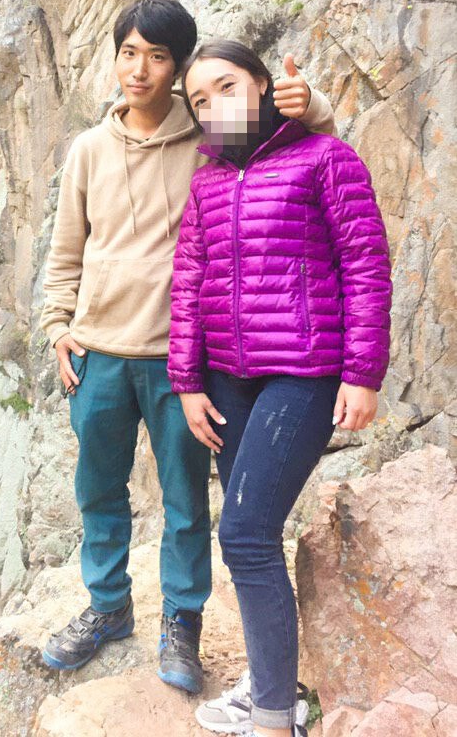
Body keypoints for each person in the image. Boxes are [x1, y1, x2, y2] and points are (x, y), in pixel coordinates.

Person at [38, 0, 337, 696]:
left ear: (176, 69)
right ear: (115, 58)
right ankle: (108, 605)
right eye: (128, 53)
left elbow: (292, 145)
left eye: (157, 56)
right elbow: (66, 250)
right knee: (98, 490)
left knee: (184, 500)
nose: (139, 69)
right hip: (99, 354)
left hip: (181, 358)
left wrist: (315, 104)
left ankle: (183, 621)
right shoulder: (88, 150)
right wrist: (57, 325)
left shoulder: (209, 135)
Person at [168, 39, 392, 734]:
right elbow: (189, 281)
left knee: (243, 534)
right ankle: (271, 683)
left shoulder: (326, 159)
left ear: (264, 85)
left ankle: (273, 718)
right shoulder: (207, 183)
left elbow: (365, 265)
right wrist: (187, 381)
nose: (214, 106)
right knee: (252, 537)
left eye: (227, 87)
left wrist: (362, 373)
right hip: (227, 380)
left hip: (302, 374)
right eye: (200, 101)